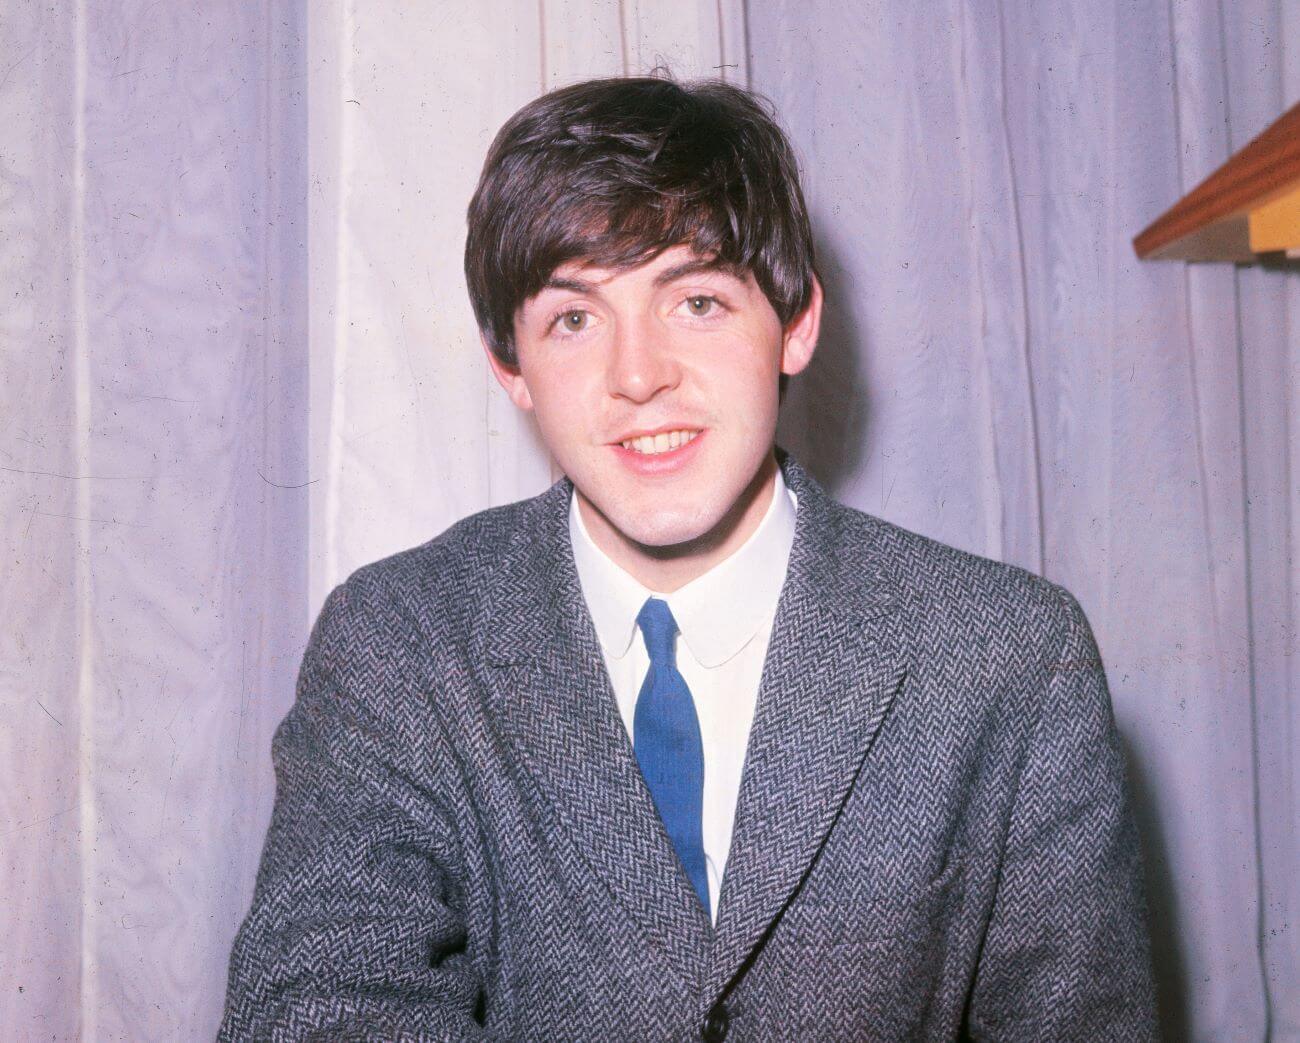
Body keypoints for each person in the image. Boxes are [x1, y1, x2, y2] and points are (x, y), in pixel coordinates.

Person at [219, 75, 1158, 1041]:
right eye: (574, 319)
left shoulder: (1011, 656)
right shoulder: (399, 642)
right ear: (512, 369)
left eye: (697, 301)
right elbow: (317, 1010)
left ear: (795, 324)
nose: (638, 375)